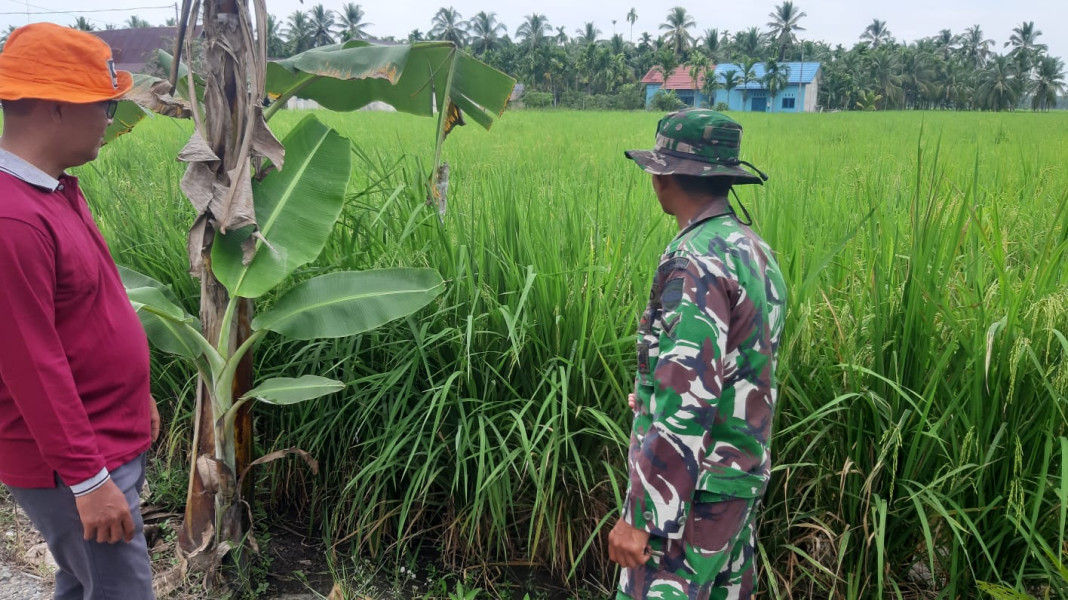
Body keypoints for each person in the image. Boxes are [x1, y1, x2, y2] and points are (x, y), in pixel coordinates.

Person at [0, 22, 159, 600]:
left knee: (82, 582)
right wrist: (89, 483)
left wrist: (135, 397)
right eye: (105, 107)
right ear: (55, 106)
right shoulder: (12, 221)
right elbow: (32, 368)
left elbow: (89, 312)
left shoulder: (55, 189)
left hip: (99, 442)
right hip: (72, 465)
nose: (108, 121)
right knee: (121, 592)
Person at [608, 109, 786, 600]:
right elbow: (741, 370)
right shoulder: (753, 250)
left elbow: (687, 398)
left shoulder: (695, 261)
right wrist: (648, 395)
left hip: (691, 497)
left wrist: (640, 517)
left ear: (664, 177)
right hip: (737, 485)